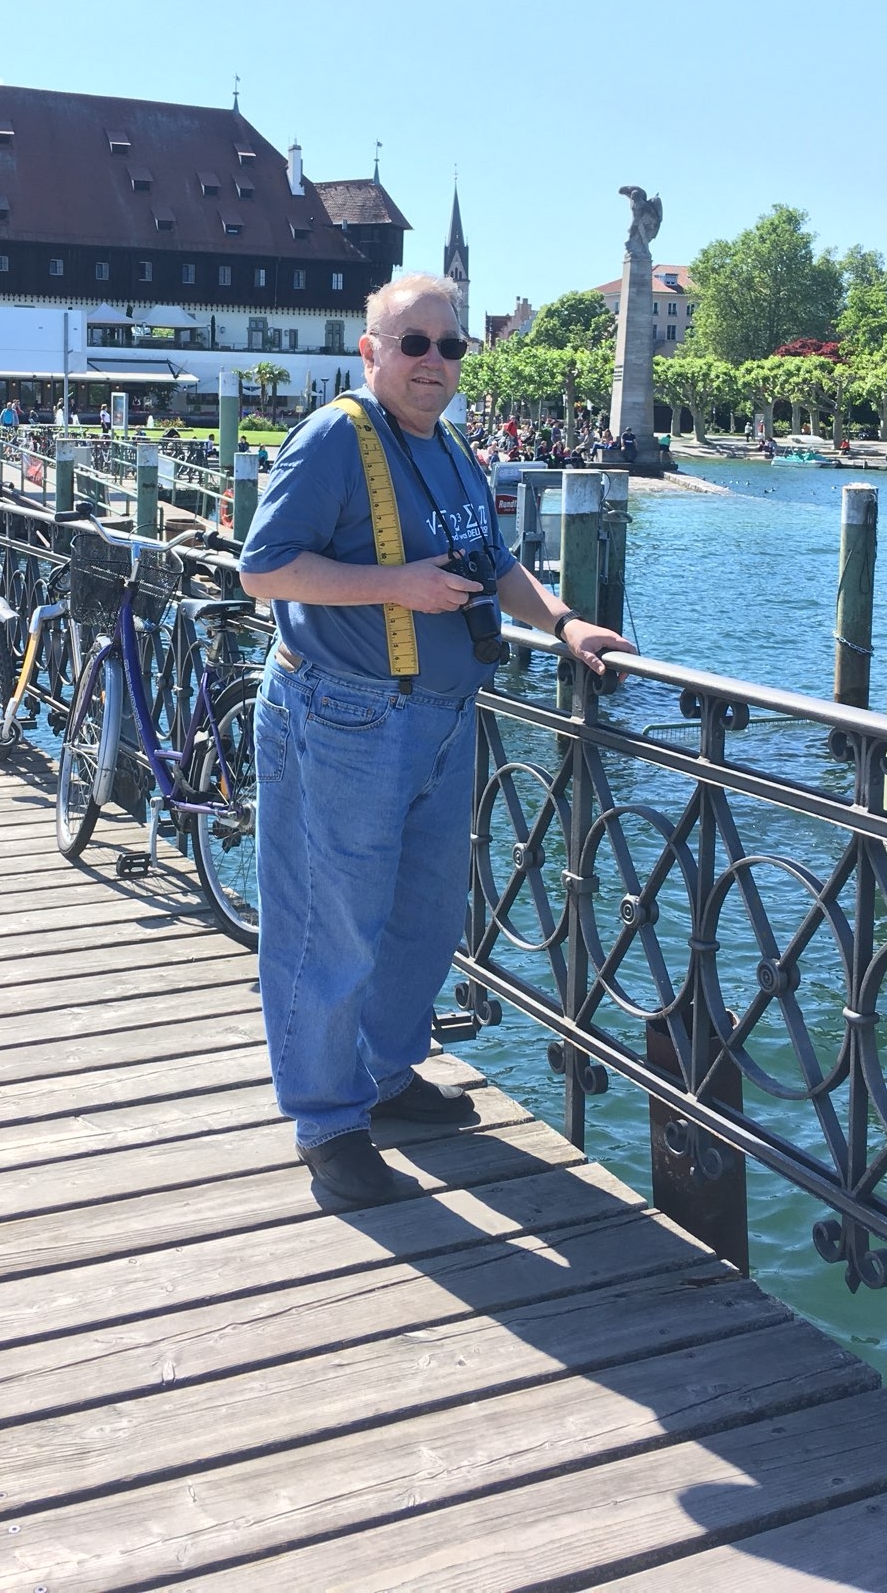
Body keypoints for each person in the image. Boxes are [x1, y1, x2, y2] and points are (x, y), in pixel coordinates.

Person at [239, 273, 634, 1208]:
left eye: (450, 346)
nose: (434, 362)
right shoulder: (337, 437)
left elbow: (496, 565)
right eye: (413, 343)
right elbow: (262, 569)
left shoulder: (454, 448)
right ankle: (328, 1123)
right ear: (370, 350)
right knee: (329, 924)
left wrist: (568, 623)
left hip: (443, 717)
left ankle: (383, 1075)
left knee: (420, 920)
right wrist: (394, 586)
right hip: (345, 714)